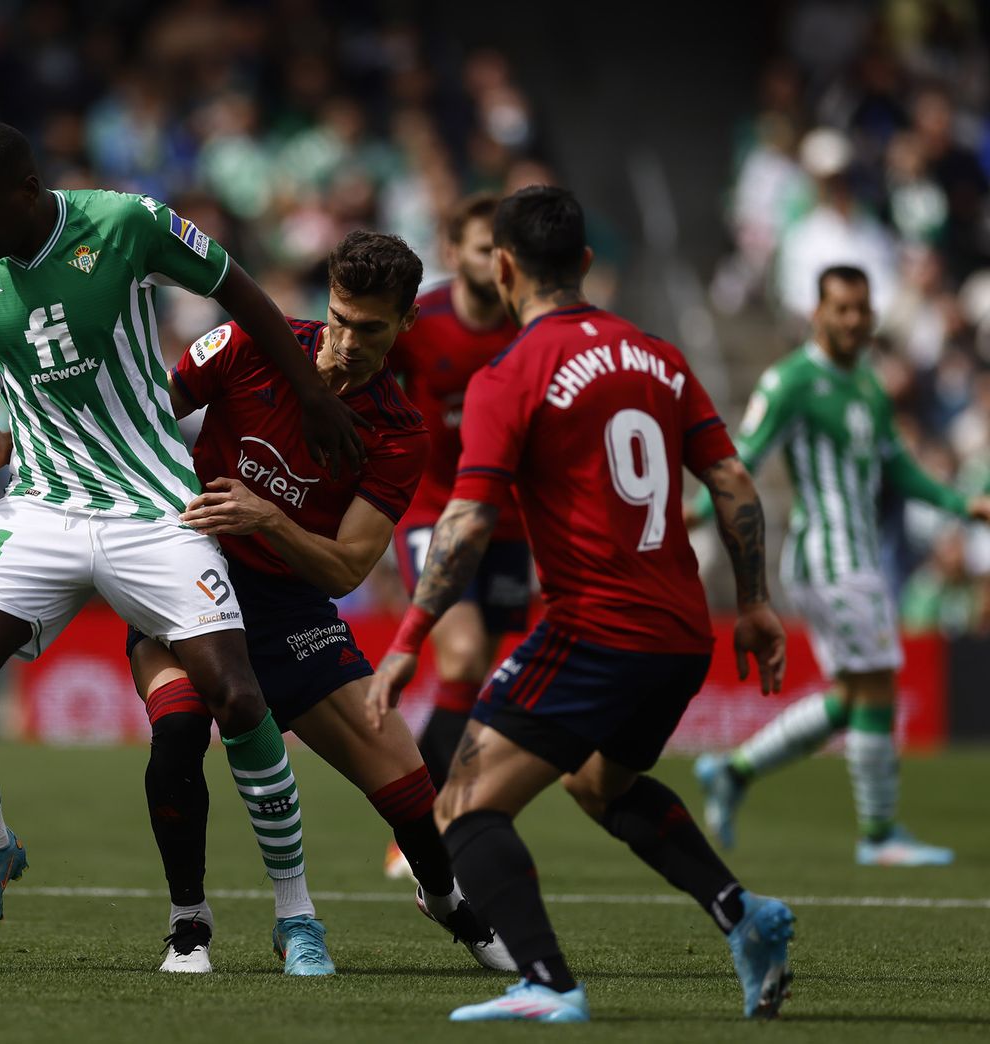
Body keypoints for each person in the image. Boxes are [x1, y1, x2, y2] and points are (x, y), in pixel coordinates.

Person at [0, 121, 366, 948]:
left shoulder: (124, 224)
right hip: (43, 503)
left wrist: (314, 395)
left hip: (154, 502)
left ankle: (296, 916)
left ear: (27, 190)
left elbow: (240, 290)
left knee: (239, 694)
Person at [0, 231, 513, 977]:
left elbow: (348, 565)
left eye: (371, 328)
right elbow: (129, 423)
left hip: (291, 610)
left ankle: (447, 902)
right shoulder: (248, 342)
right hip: (180, 574)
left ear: (404, 325)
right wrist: (20, 453)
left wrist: (268, 517)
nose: (348, 341)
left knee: (406, 783)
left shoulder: (397, 431)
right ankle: (190, 926)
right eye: (341, 318)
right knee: (179, 732)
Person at [369, 186, 794, 1023]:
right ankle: (743, 915)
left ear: (504, 265)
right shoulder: (659, 354)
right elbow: (735, 484)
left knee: (463, 805)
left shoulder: (512, 372)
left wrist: (411, 633)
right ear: (587, 264)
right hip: (683, 634)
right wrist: (753, 603)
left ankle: (548, 983)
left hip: (597, 629)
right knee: (600, 783)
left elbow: (467, 516)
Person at [691, 266, 990, 866]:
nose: (853, 320)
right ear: (817, 313)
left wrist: (962, 503)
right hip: (829, 554)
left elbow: (897, 467)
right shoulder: (792, 381)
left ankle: (733, 770)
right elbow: (739, 459)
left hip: (857, 551)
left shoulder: (869, 386)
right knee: (878, 681)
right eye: (842, 309)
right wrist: (694, 514)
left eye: (862, 308)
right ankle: (878, 837)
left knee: (853, 696)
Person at [384, 194, 527, 880]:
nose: (493, 262)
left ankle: (434, 819)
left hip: (511, 521)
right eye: (480, 248)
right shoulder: (421, 323)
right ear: (453, 252)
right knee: (463, 654)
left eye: (502, 251)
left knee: (471, 683)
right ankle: (414, 831)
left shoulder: (530, 327)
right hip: (433, 512)